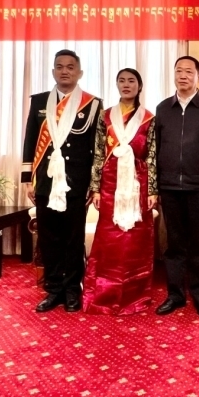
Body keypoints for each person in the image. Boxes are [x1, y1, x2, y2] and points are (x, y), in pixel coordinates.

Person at [22, 49, 102, 313]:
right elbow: (30, 141)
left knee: (73, 238)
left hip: (76, 182)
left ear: (79, 72)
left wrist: (94, 184)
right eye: (59, 66)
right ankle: (53, 289)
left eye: (70, 67)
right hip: (45, 181)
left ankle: (72, 290)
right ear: (53, 71)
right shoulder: (39, 101)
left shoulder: (92, 104)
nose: (64, 71)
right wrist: (27, 179)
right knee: (49, 237)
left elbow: (96, 148)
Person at [154, 56, 199, 317]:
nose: (183, 75)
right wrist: (156, 187)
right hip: (169, 187)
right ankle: (175, 295)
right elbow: (155, 151)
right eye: (178, 71)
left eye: (188, 71)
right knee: (173, 245)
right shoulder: (163, 109)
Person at [82, 68, 157, 315]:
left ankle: (136, 295)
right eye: (121, 81)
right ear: (116, 85)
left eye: (131, 81)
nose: (126, 85)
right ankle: (103, 293)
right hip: (109, 186)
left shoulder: (149, 118)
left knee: (135, 241)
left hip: (138, 185)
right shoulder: (105, 117)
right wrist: (95, 188)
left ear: (139, 86)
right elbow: (98, 154)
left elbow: (152, 156)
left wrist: (152, 190)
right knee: (109, 241)